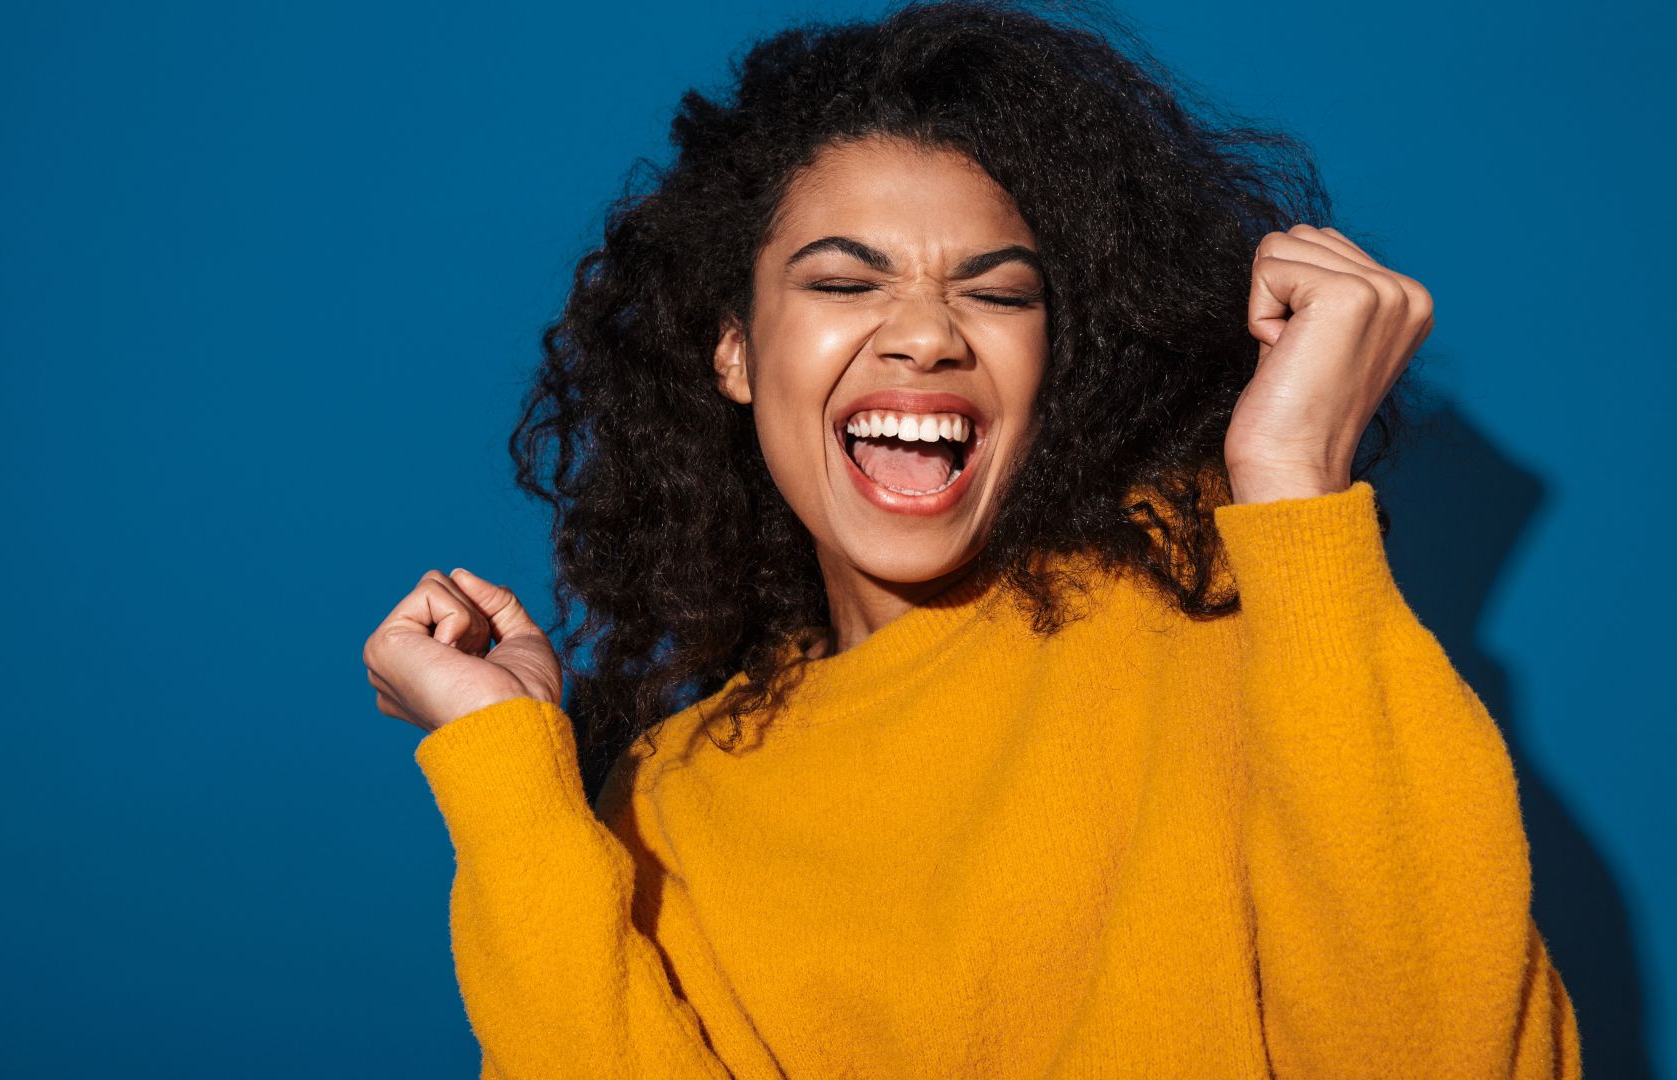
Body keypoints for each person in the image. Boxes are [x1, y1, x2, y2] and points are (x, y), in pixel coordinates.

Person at [361, 0, 1582, 1075]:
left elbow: (1455, 1049)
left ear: (1056, 363)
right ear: (734, 351)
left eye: (998, 293)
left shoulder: (1226, 618)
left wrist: (1294, 492)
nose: (928, 335)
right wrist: (504, 772)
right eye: (846, 284)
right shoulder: (677, 798)